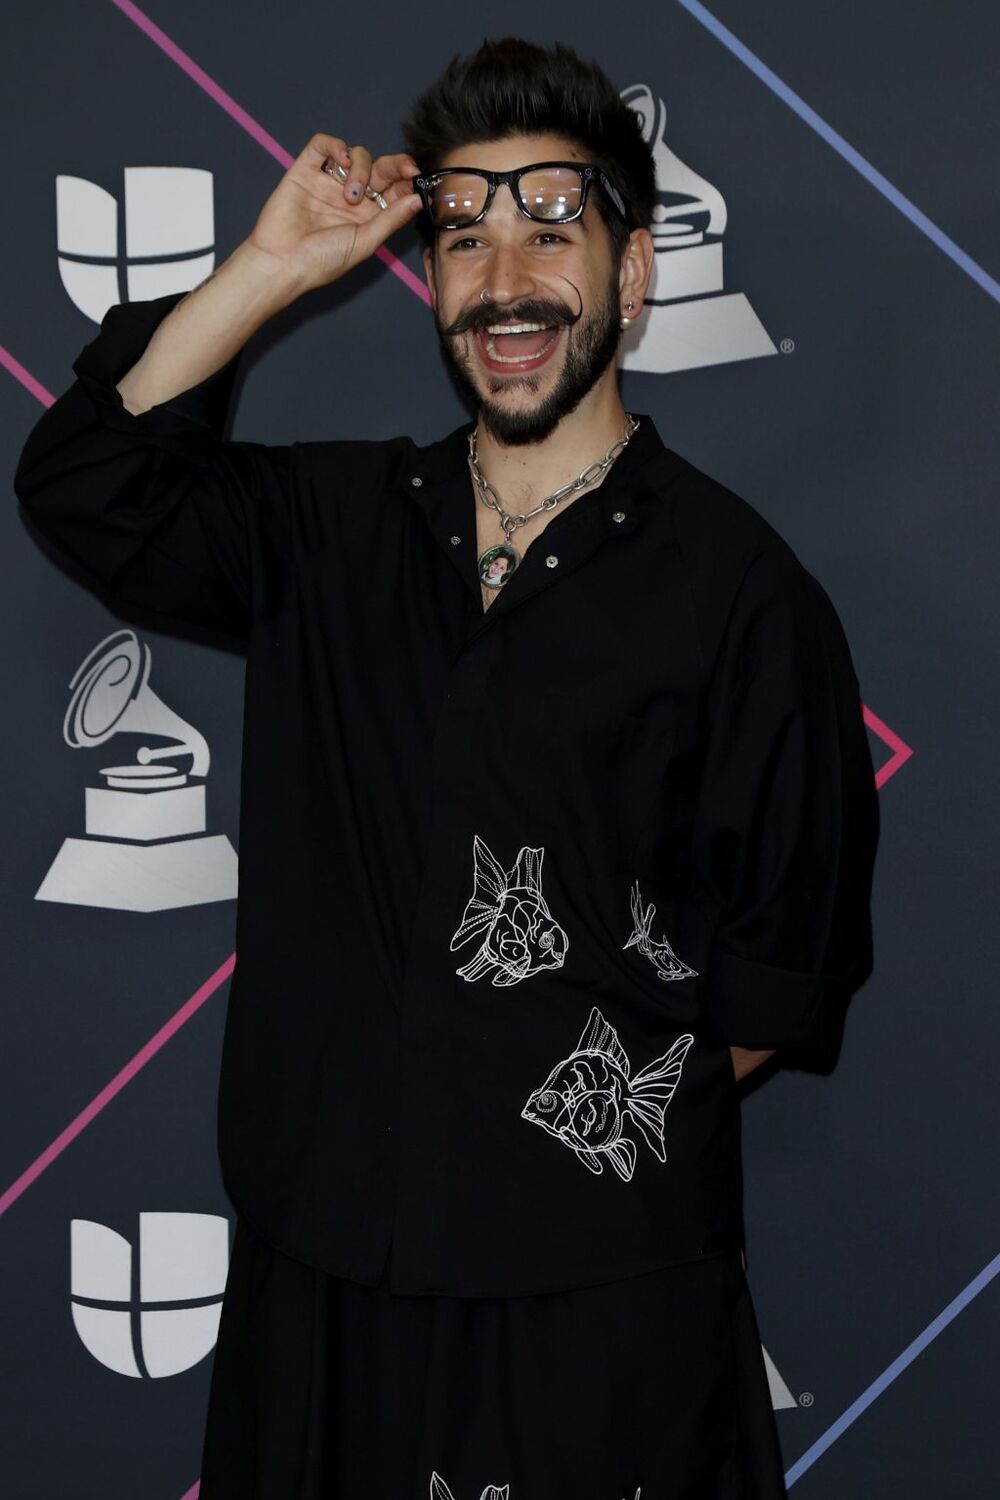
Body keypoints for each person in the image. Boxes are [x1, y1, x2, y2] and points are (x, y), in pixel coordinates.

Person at [14, 36, 879, 1500]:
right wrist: (272, 269)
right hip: (321, 1300)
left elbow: (779, 981)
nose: (506, 280)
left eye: (553, 228)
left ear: (636, 271)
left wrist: (533, 1142)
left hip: (599, 1318)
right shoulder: (330, 527)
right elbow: (86, 486)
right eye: (465, 237)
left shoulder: (745, 595)